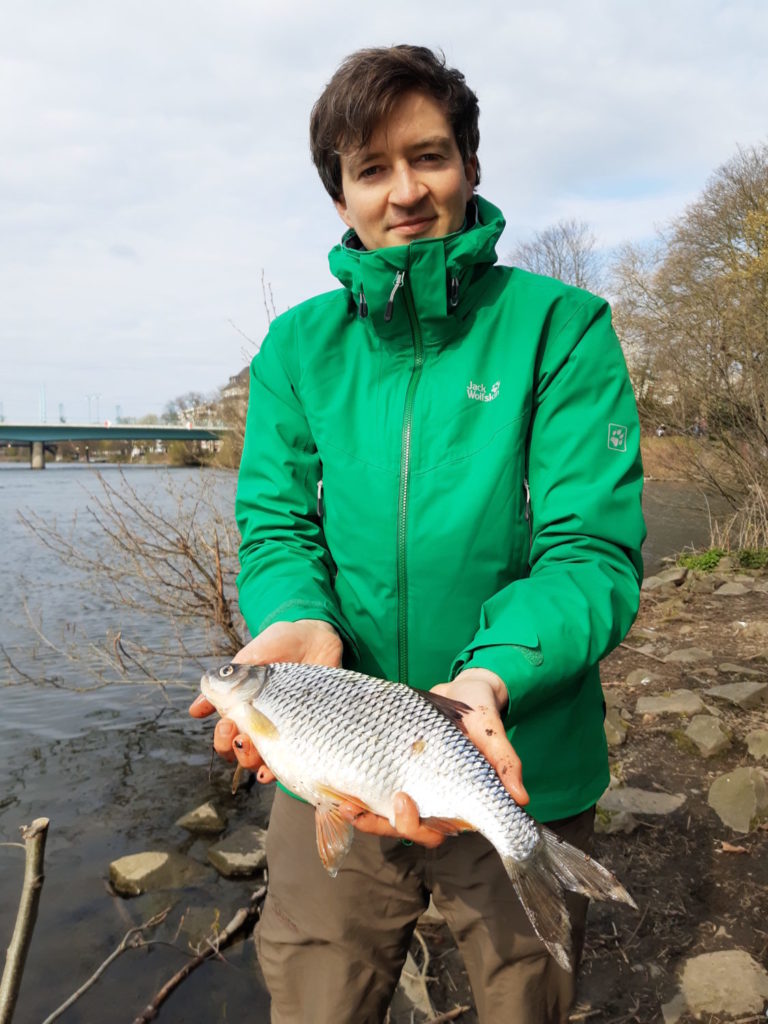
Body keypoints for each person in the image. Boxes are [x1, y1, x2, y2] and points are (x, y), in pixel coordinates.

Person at [190, 44, 645, 1024]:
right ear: (341, 194)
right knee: (316, 998)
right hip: (334, 766)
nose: (405, 191)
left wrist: (486, 678)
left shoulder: (561, 328)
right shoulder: (297, 348)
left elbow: (590, 552)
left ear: (470, 167)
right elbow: (275, 527)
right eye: (371, 168)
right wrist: (294, 619)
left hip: (516, 748)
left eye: (428, 156)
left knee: (529, 999)